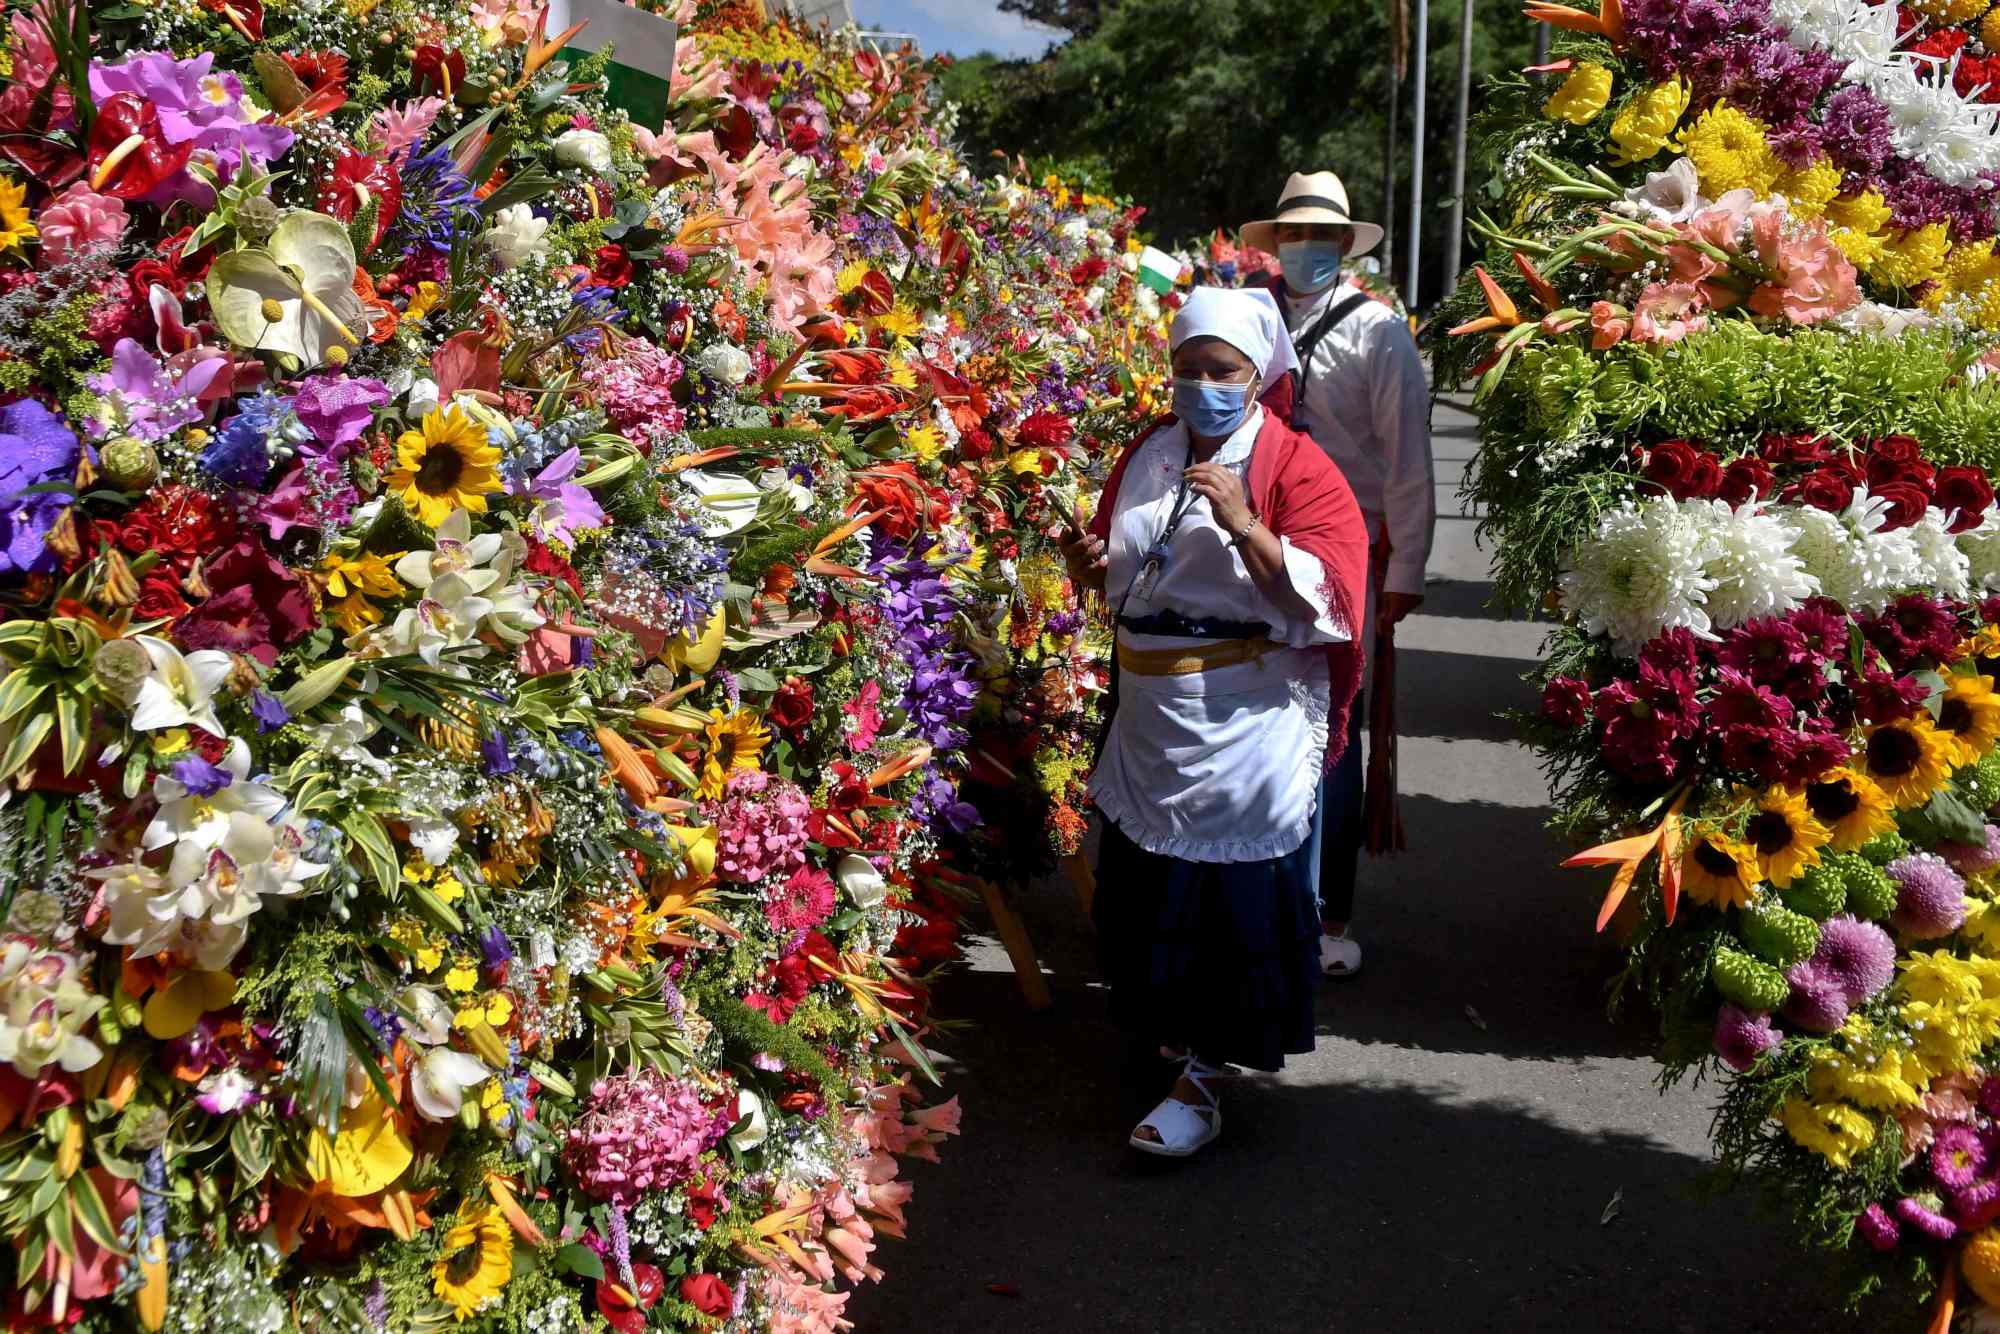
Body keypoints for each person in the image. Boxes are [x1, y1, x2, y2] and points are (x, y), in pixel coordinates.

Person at [1058, 287, 1369, 1157]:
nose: (1202, 385)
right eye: (1187, 369)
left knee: (1231, 899)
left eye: (1221, 370)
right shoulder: (1149, 454)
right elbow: (1127, 570)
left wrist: (1246, 526)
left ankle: (1205, 1079)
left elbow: (1331, 595)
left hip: (1245, 720)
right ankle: (1170, 1040)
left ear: (1258, 373)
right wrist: (1087, 563)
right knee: (1154, 882)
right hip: (1155, 718)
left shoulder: (1298, 466)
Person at [1241, 170, 1435, 980]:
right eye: (1293, 236)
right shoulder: (1249, 315)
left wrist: (1407, 570)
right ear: (1274, 244)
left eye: (1321, 237)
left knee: (1335, 731)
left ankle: (1329, 914)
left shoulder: (1380, 334)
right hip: (1251, 537)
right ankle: (1253, 890)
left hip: (1348, 544)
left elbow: (1408, 462)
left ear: (1344, 247)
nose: (1305, 250)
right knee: (1255, 712)